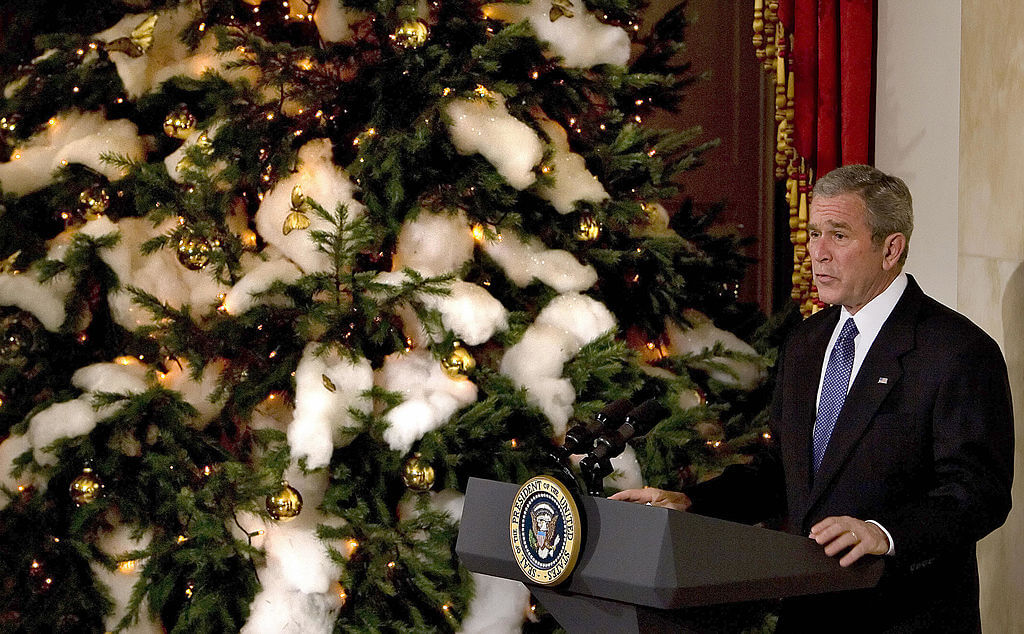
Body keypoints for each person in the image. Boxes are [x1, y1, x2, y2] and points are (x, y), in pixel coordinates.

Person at [611, 164, 1014, 632]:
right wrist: (691, 502)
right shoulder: (807, 342)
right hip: (809, 614)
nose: (817, 254)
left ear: (891, 248)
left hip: (905, 615)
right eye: (815, 233)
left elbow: (977, 494)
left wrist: (884, 534)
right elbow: (780, 468)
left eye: (839, 236)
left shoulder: (956, 350)